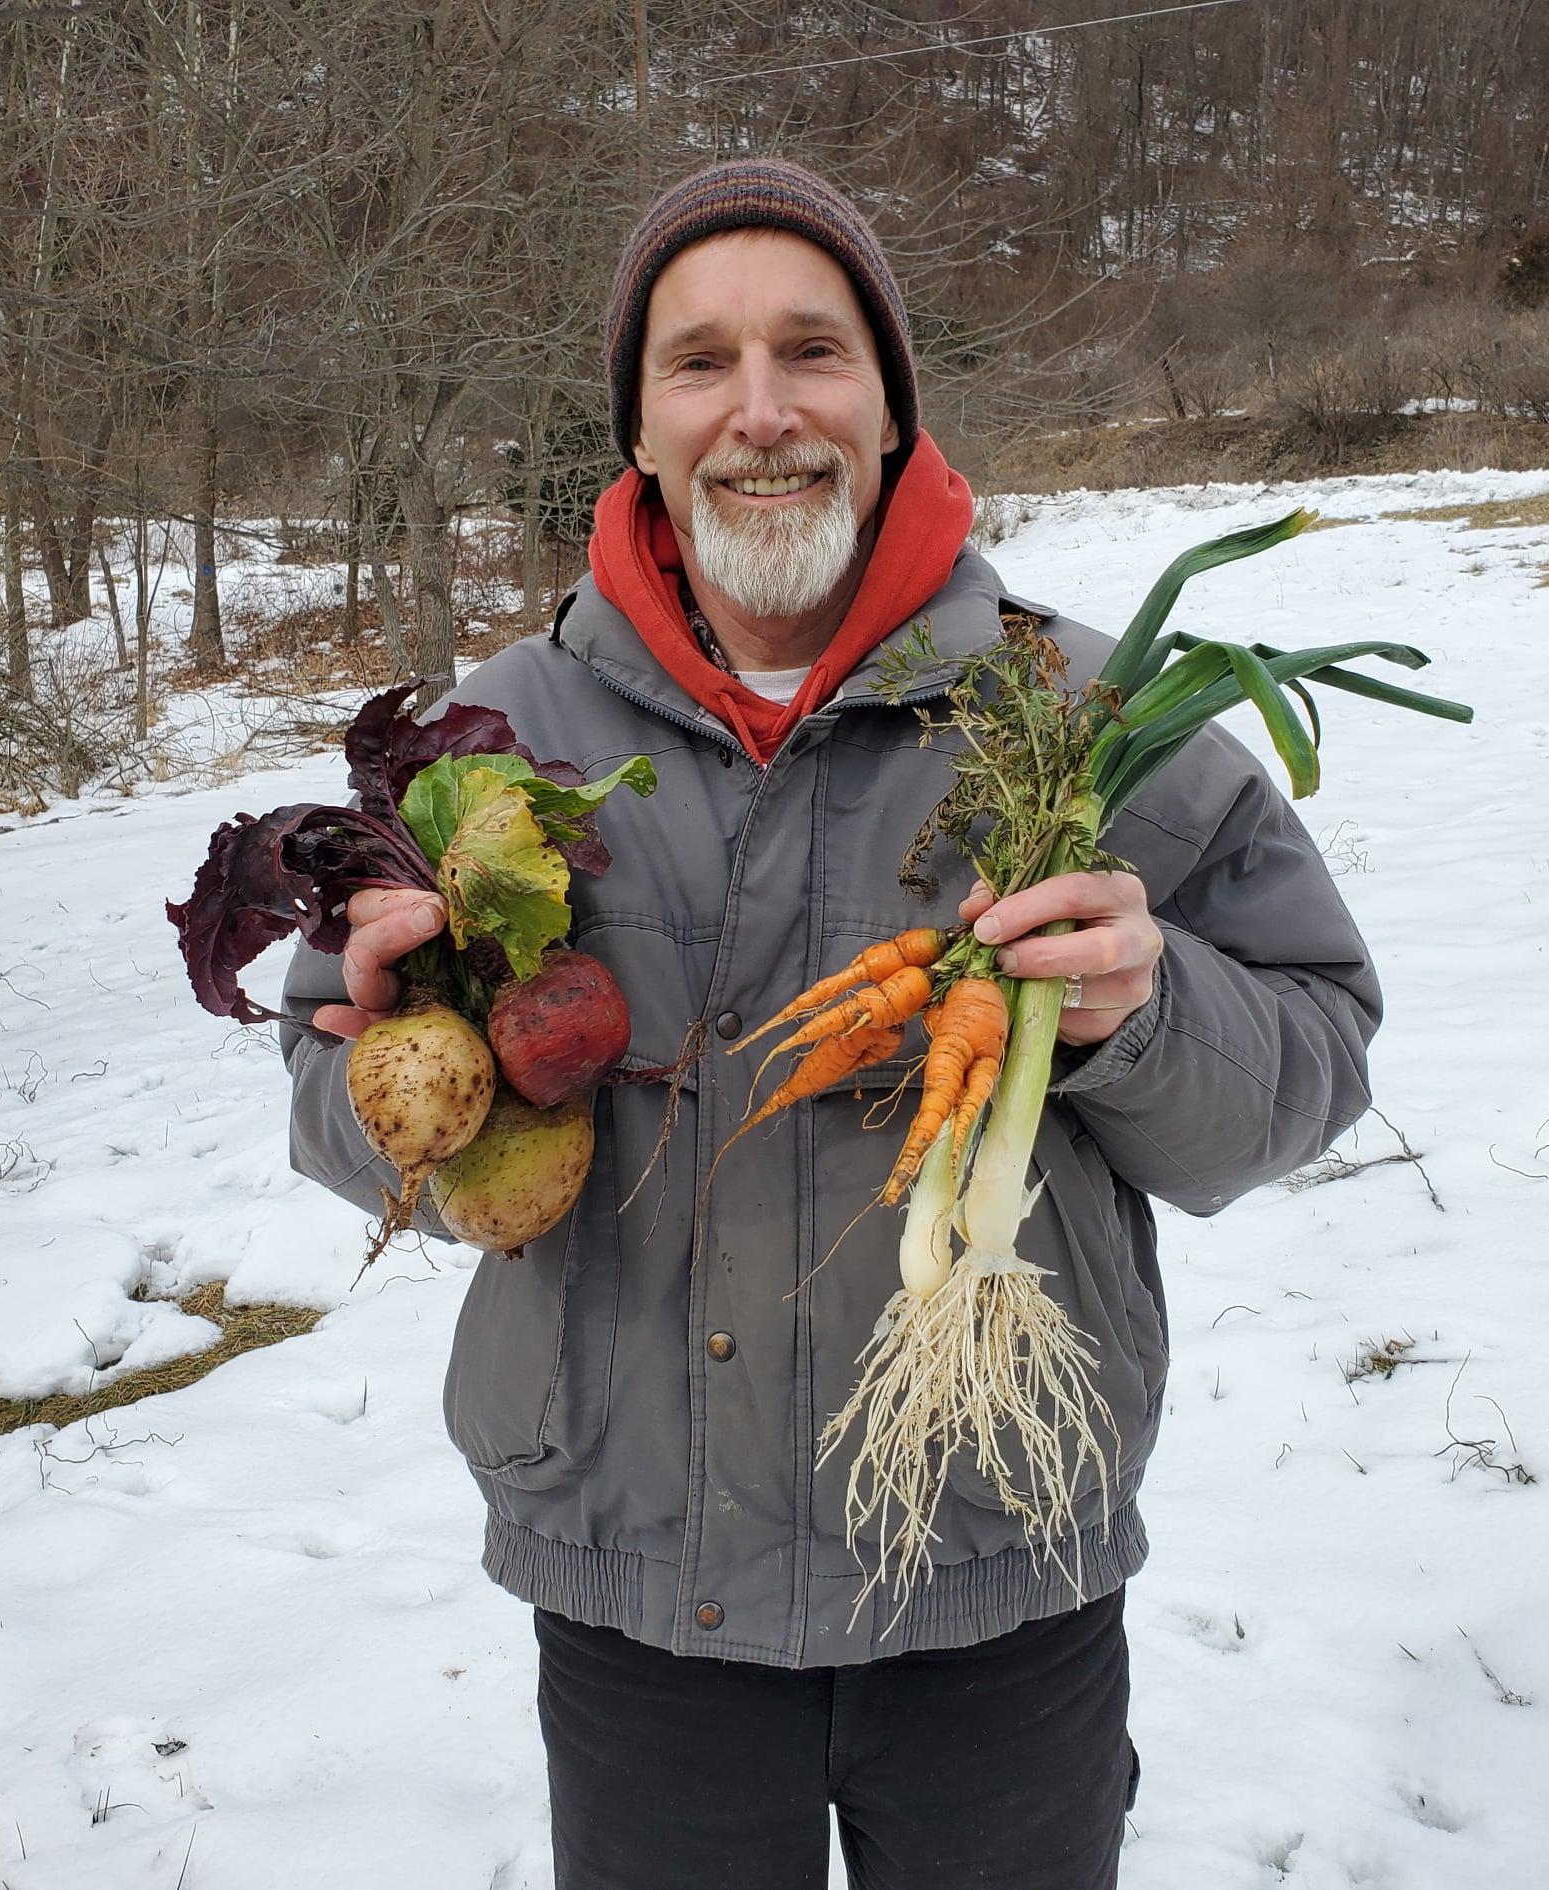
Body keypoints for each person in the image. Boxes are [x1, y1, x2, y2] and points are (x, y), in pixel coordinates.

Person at [280, 159, 1381, 1890]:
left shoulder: (1091, 716)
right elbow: (325, 1076)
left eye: (814, 351)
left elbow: (1316, 1055)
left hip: (998, 1561)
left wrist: (1135, 1019)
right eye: (699, 361)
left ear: (890, 405)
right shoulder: (502, 734)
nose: (762, 410)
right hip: (641, 1587)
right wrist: (416, 1056)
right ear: (637, 426)